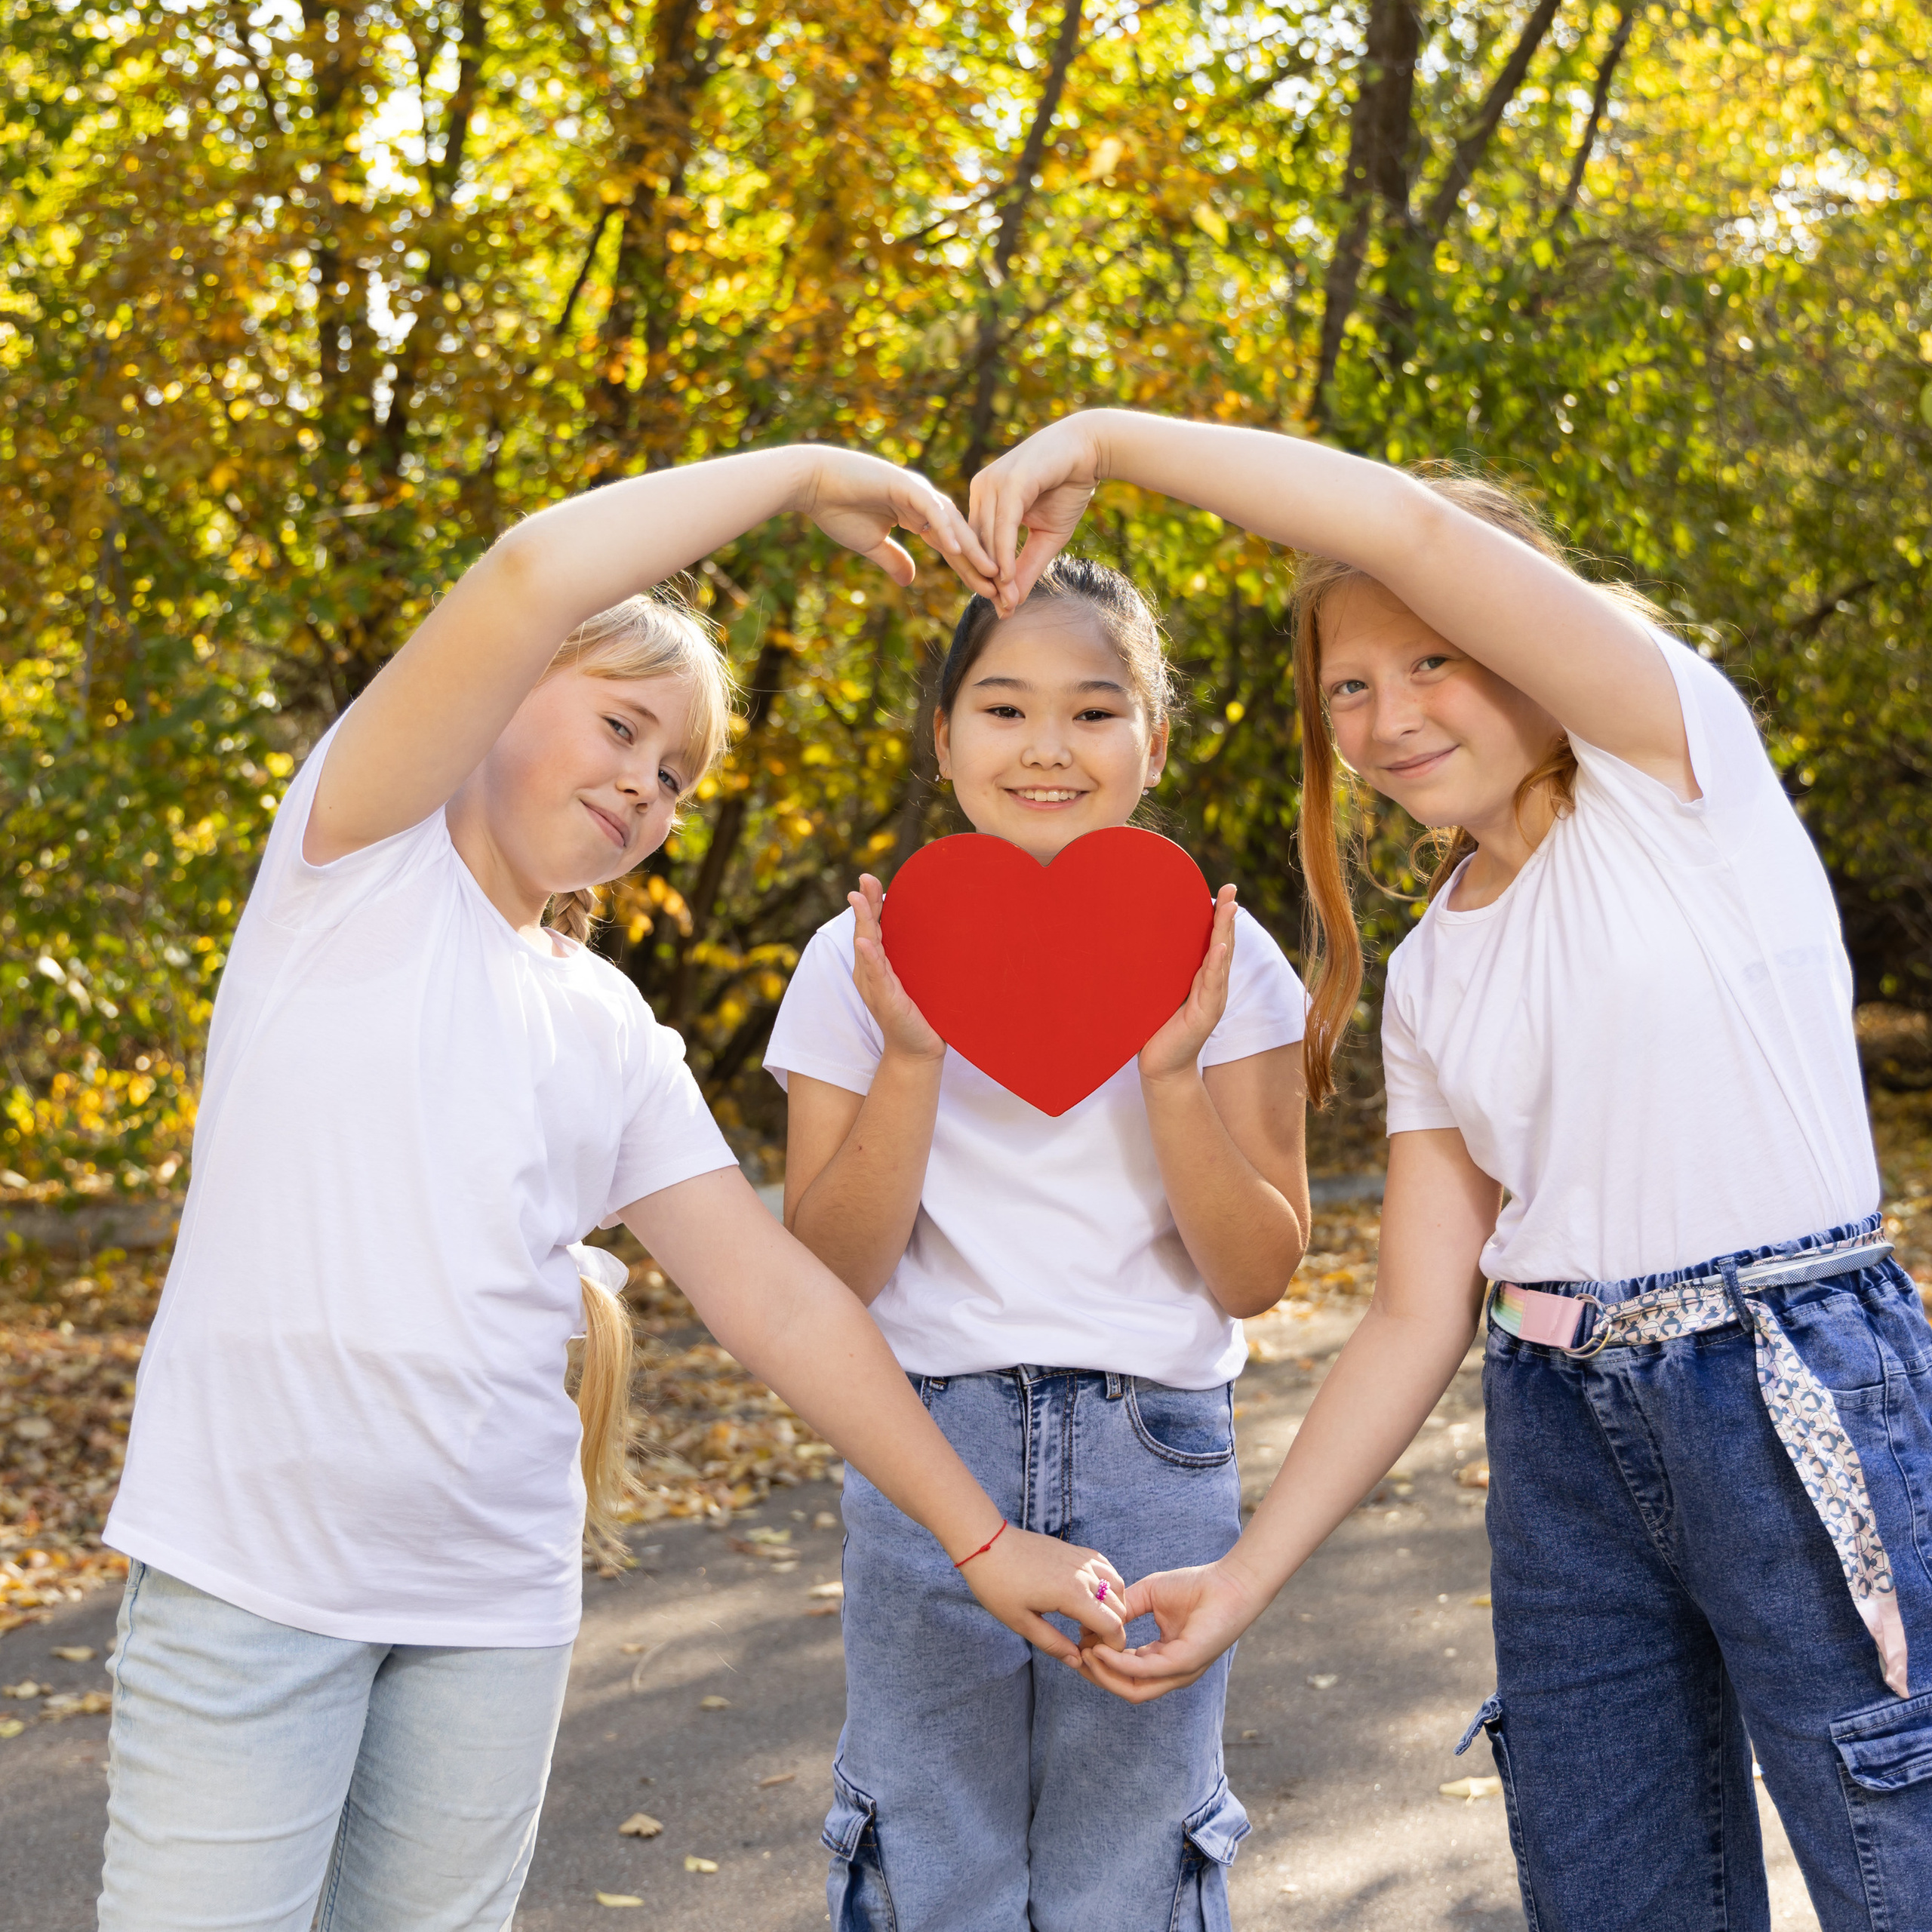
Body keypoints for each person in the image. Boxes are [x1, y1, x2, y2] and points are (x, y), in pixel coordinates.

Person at [95, 448, 1131, 1932]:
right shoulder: (350, 863)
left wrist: (982, 1535)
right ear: (501, 692)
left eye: (675, 772)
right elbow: (532, 570)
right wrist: (800, 477)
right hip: (249, 1581)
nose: (645, 784)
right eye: (622, 725)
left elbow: (775, 1294)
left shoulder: (608, 1026)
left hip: (490, 1609)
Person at [964, 409, 1932, 1931]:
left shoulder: (1672, 772)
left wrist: (1110, 439)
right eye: (1344, 686)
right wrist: (1239, 1578)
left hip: (1777, 1376)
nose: (1386, 712)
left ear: (1527, 632)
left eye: (1432, 659)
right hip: (1556, 1426)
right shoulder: (1426, 973)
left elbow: (1411, 534)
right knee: (1610, 1879)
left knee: (1894, 1844)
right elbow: (1414, 1310)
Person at [765, 555, 1312, 1931]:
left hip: (1158, 1451)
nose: (1049, 747)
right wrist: (909, 1057)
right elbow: (828, 1269)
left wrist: (1171, 1073)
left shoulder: (1227, 960)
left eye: (1095, 709)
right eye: (1003, 710)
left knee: (1131, 1861)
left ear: (1155, 739)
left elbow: (1256, 1271)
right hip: (925, 1447)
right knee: (930, 1847)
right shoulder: (858, 962)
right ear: (944, 739)